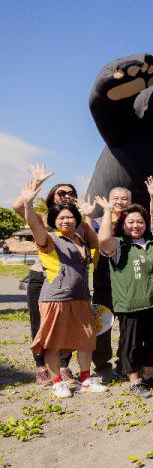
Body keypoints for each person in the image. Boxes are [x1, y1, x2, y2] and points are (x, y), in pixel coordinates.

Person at [19, 180, 106, 398]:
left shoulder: (80, 239)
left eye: (69, 217)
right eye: (61, 218)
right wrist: (29, 205)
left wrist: (87, 216)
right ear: (54, 221)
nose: (66, 220)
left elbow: (96, 245)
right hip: (56, 298)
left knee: (86, 340)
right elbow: (34, 226)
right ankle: (57, 381)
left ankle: (85, 378)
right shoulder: (49, 239)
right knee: (53, 343)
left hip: (81, 298)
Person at [95, 198, 153, 398]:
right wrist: (109, 211)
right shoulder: (118, 245)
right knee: (131, 345)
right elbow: (102, 239)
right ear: (123, 225)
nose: (136, 225)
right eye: (131, 222)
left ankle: (149, 375)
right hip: (130, 305)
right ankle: (134, 381)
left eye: (140, 222)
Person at [11, 165, 76, 386]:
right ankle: (41, 367)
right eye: (61, 193)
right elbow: (18, 206)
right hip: (42, 277)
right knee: (40, 323)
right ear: (52, 198)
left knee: (66, 324)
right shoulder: (43, 218)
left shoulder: (79, 222)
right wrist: (37, 183)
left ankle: (64, 365)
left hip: (68, 280)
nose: (66, 196)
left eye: (70, 193)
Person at [91, 186, 133, 382]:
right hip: (104, 281)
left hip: (128, 282)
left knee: (128, 325)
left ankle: (125, 363)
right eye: (115, 198)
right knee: (102, 324)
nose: (120, 201)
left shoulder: (134, 224)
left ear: (130, 203)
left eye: (125, 199)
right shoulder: (99, 222)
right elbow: (93, 241)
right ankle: (101, 364)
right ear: (108, 200)